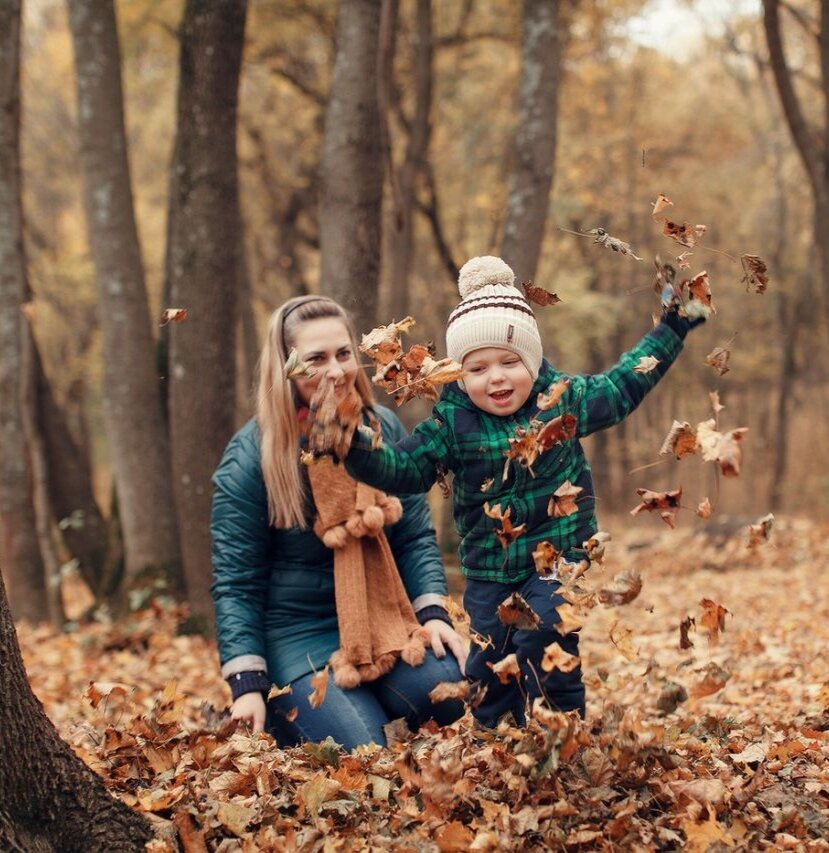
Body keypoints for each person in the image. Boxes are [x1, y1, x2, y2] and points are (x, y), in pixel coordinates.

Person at [340, 255, 704, 728]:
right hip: (491, 570)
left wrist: (673, 327)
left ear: (530, 360)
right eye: (478, 368)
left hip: (559, 555)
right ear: (459, 374)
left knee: (544, 632)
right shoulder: (452, 423)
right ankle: (498, 744)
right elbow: (406, 467)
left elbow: (623, 386)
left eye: (509, 362)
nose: (496, 377)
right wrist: (355, 448)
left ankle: (561, 732)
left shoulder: (563, 400)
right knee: (489, 667)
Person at [210, 295, 467, 750]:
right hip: (298, 635)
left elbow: (414, 537)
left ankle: (371, 697)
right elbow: (237, 581)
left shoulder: (381, 427)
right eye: (316, 359)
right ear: (286, 367)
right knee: (362, 751)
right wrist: (247, 683)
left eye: (343, 354)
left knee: (449, 696)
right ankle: (297, 713)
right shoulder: (253, 456)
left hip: (380, 618)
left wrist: (433, 614)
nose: (335, 371)